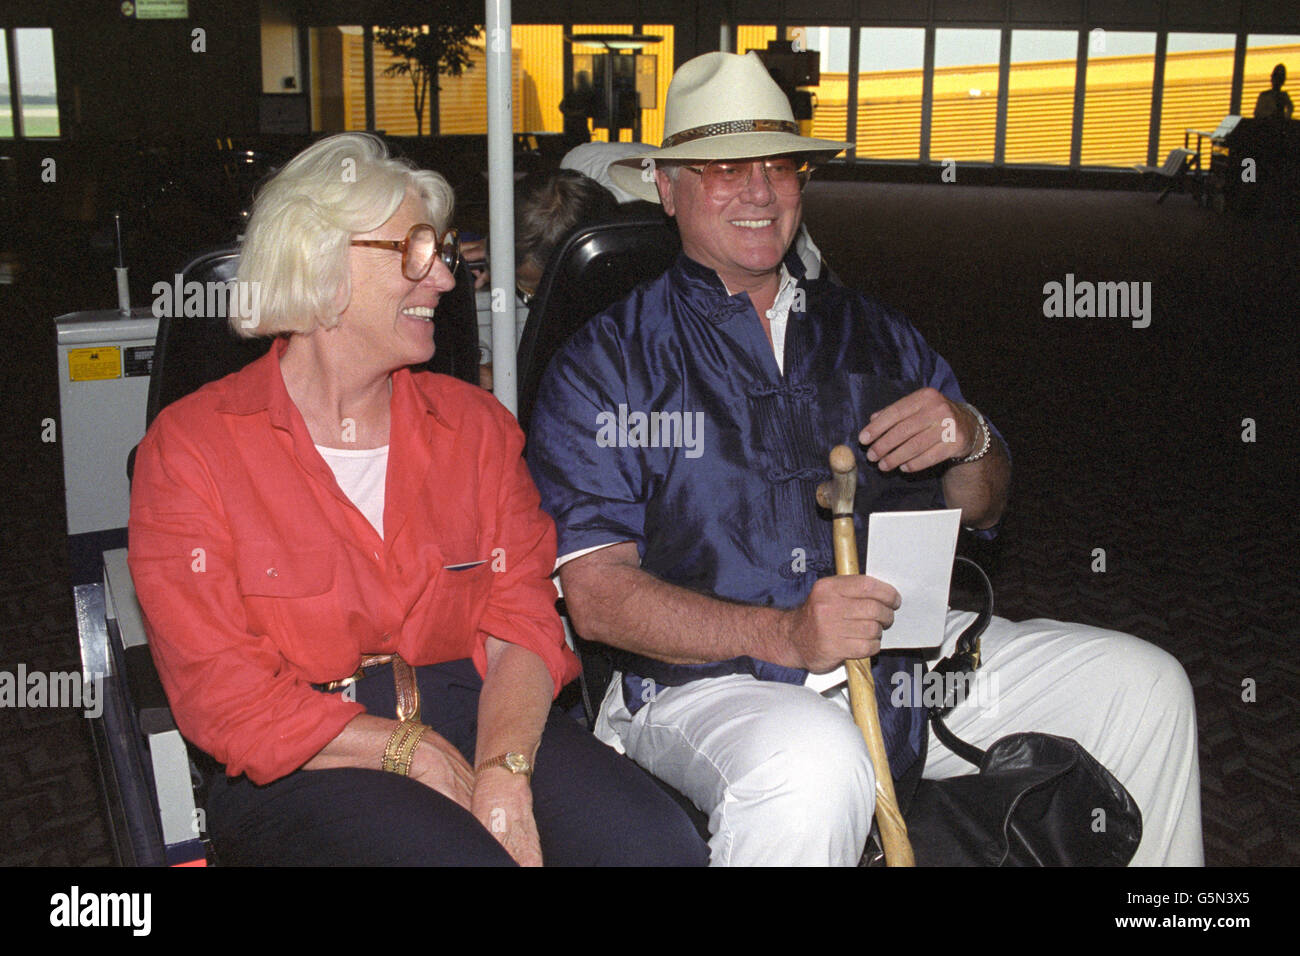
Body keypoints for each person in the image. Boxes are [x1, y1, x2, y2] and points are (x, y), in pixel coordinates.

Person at [527, 52, 1203, 866]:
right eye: (722, 170)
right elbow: (597, 600)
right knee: (813, 764)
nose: (758, 192)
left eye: (779, 166)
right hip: (704, 683)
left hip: (899, 661)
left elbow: (984, 503)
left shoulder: (873, 331)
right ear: (666, 189)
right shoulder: (606, 364)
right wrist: (785, 632)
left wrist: (970, 436)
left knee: (1145, 684)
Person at [127, 132, 707, 867]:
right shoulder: (192, 450)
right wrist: (413, 751)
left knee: (654, 848)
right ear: (319, 261)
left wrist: (504, 772)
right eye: (413, 251)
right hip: (306, 753)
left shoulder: (475, 428)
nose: (441, 278)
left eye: (439, 252)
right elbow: (225, 697)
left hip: (485, 710)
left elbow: (523, 626)